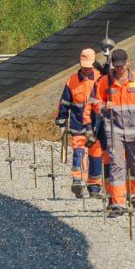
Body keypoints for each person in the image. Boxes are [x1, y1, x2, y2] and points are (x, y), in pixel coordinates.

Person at [85, 47, 135, 216]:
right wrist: (103, 107)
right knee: (117, 166)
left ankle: (133, 196)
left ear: (127, 63)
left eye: (122, 65)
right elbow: (95, 103)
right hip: (114, 131)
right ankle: (118, 203)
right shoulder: (105, 82)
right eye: (116, 66)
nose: (119, 69)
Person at [55, 47, 105, 199]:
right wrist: (62, 122)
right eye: (84, 67)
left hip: (96, 126)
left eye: (89, 67)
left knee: (96, 155)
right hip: (78, 125)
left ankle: (94, 186)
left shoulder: (100, 78)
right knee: (79, 151)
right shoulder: (72, 80)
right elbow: (64, 103)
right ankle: (78, 180)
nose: (86, 70)